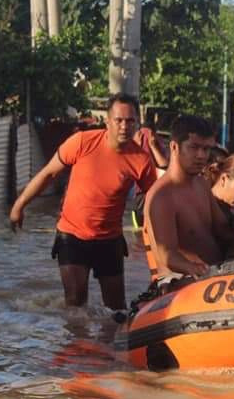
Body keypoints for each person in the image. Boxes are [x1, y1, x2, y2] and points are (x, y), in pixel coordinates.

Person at [9, 93, 157, 311]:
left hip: (110, 240)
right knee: (76, 303)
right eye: (119, 120)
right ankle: (77, 345)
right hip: (72, 236)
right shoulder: (82, 142)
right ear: (108, 121)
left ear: (137, 123)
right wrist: (19, 206)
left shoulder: (141, 161)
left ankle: (110, 345)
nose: (124, 126)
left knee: (117, 308)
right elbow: (48, 174)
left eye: (130, 120)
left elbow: (153, 200)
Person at [144, 115, 229, 281]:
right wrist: (199, 270)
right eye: (194, 147)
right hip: (179, 285)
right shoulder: (161, 196)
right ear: (174, 147)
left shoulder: (202, 184)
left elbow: (223, 228)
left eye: (206, 149)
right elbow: (166, 255)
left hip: (213, 278)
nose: (201, 156)